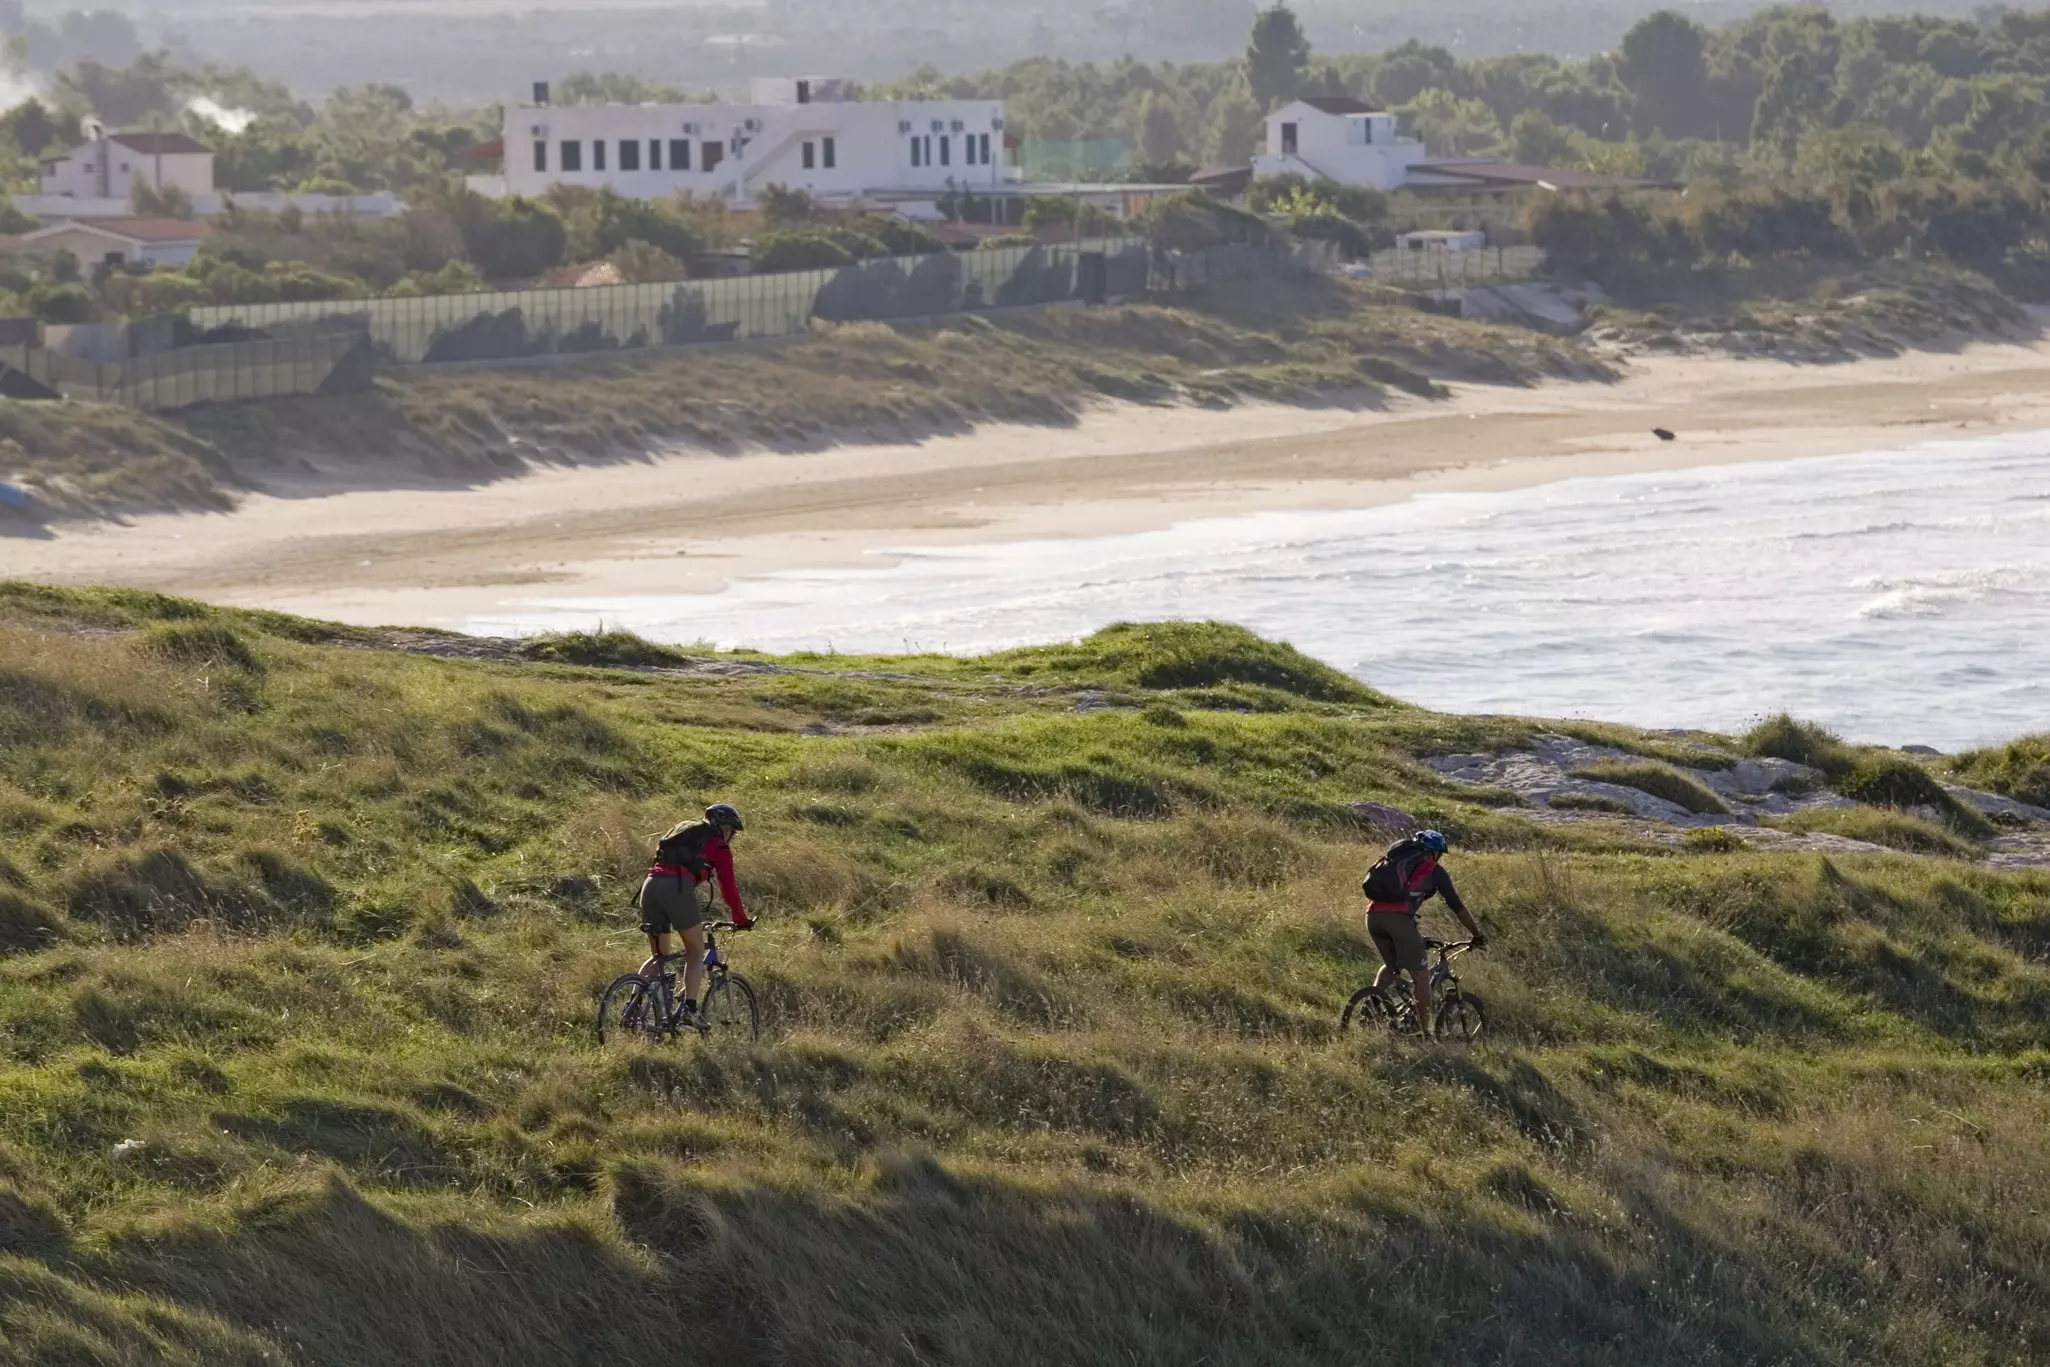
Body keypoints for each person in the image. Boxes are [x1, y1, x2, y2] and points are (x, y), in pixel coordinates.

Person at [637, 803, 751, 1023]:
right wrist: (740, 919)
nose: (732, 837)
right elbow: (729, 887)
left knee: (659, 957)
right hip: (676, 887)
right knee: (696, 951)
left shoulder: (683, 830)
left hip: (649, 885)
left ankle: (634, 1008)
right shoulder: (719, 846)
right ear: (726, 829)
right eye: (732, 832)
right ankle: (689, 1010)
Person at [1365, 829, 1485, 1037]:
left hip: (1373, 916)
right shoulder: (1434, 870)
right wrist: (1476, 934)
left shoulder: (1395, 861)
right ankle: (1421, 1032)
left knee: (1392, 965)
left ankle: (1370, 1009)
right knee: (1421, 976)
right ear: (1435, 853)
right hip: (1398, 921)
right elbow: (1457, 906)